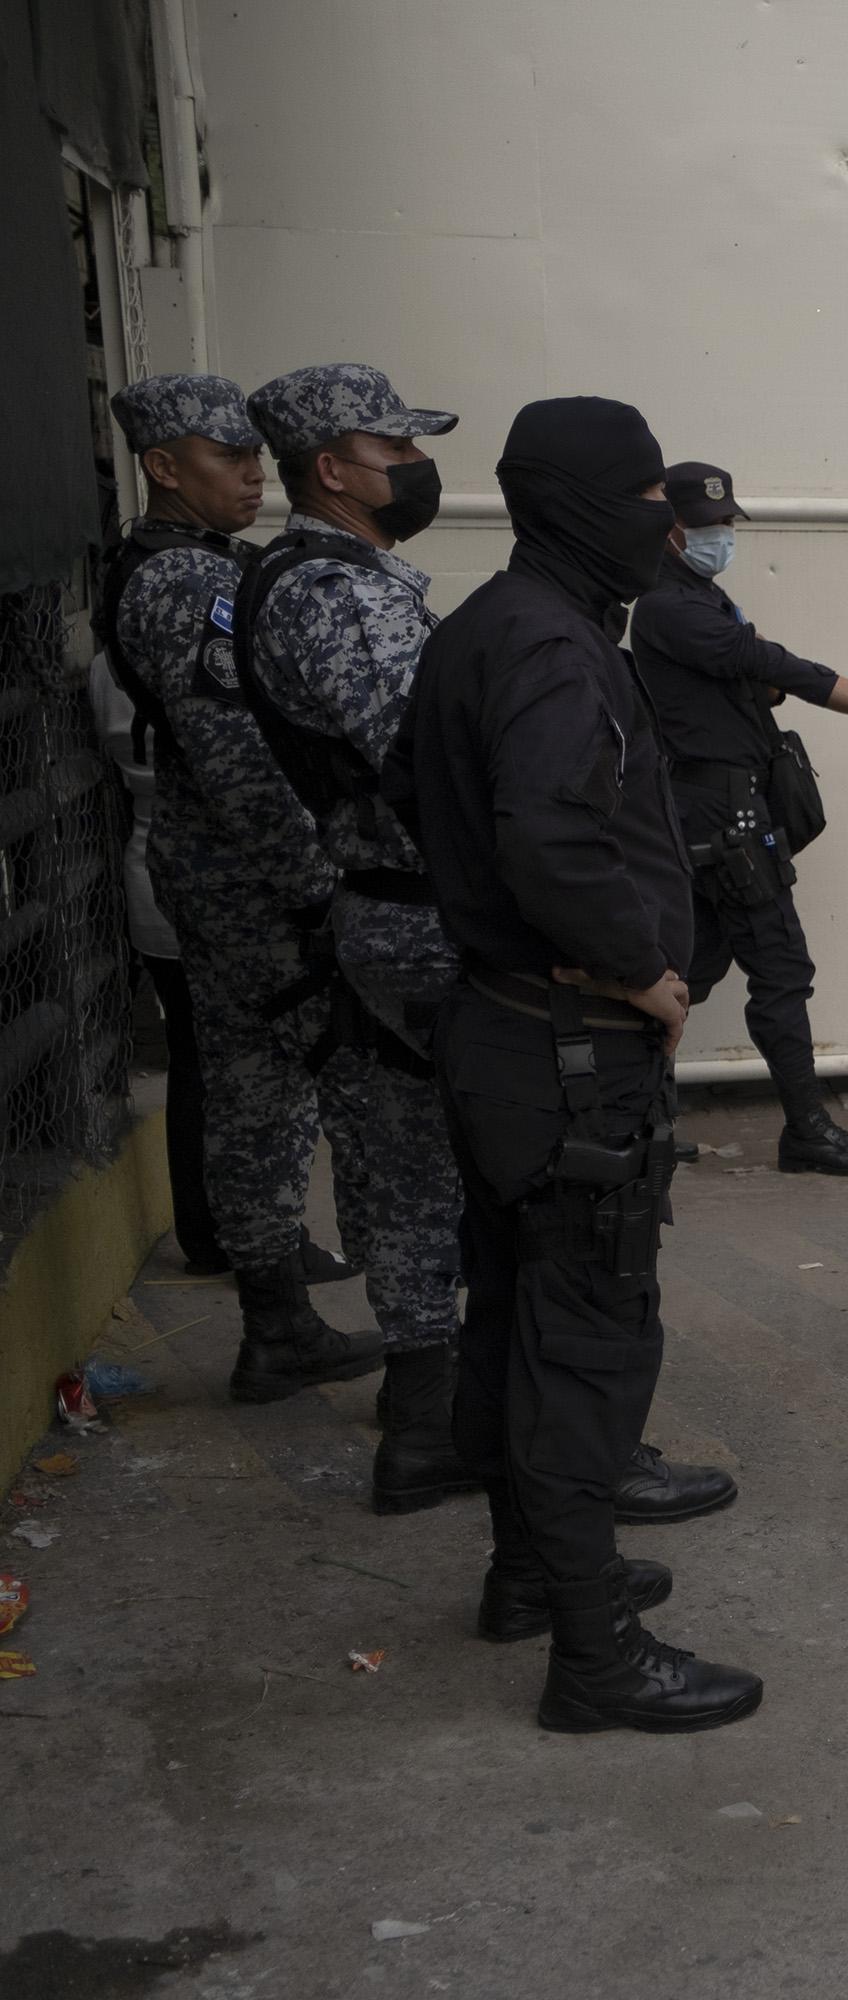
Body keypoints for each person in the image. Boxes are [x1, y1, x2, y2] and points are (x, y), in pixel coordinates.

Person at [395, 394, 762, 1733]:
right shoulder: (552, 650)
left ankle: (527, 1580)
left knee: (514, 1319)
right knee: (587, 1346)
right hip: (565, 1052)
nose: (670, 523)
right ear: (581, 511)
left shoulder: (485, 629)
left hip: (500, 1034)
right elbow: (553, 844)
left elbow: (411, 797)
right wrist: (643, 973)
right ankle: (596, 1652)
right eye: (648, 501)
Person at [96, 374, 380, 1399]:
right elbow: (238, 758)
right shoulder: (180, 581)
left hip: (225, 868)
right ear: (166, 467)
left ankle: (278, 1321)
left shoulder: (205, 562)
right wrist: (316, 889)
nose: (256, 475)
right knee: (295, 1090)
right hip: (249, 876)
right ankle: (289, 1322)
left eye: (261, 456)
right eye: (231, 459)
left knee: (259, 1088)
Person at [238, 364, 477, 1515]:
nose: (417, 467)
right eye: (396, 449)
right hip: (419, 907)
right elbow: (430, 765)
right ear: (332, 469)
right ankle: (462, 1422)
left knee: (407, 1161)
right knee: (459, 1164)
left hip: (385, 903)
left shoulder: (328, 580)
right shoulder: (338, 596)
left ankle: (427, 1406)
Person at [627, 463, 848, 1177]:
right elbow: (775, 666)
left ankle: (637, 1120)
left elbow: (753, 680)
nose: (725, 536)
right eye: (713, 526)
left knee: (695, 967)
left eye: (729, 524)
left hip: (717, 806)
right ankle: (805, 1130)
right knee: (780, 967)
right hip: (722, 816)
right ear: (675, 529)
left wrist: (761, 681)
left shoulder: (698, 596)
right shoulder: (669, 606)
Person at [86, 645, 215, 1273]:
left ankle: (205, 1228)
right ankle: (238, 1231)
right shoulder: (205, 649)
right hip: (208, 878)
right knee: (236, 1073)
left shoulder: (109, 663)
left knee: (195, 1061)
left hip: (149, 870)